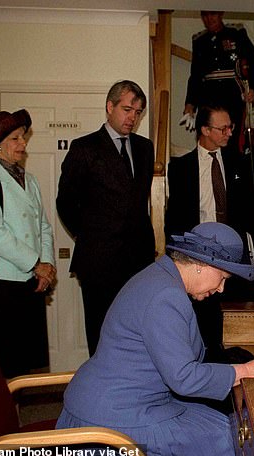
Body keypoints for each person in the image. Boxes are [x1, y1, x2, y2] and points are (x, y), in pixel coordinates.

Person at [56, 222, 254, 456]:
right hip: (112, 420)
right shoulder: (166, 296)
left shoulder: (159, 276)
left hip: (119, 403)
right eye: (222, 277)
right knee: (232, 439)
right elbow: (184, 378)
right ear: (202, 265)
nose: (222, 288)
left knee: (230, 428)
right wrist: (243, 371)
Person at [56, 80, 156, 356]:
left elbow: (138, 203)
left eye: (138, 112)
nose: (132, 118)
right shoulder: (84, 148)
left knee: (138, 334)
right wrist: (92, 235)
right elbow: (65, 203)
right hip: (98, 262)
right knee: (101, 335)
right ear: (109, 107)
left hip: (139, 262)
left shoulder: (145, 148)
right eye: (127, 109)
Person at [166, 105, 254, 364]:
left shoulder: (239, 162)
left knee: (228, 314)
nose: (229, 132)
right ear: (205, 130)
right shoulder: (181, 167)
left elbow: (250, 211)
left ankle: (228, 364)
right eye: (222, 128)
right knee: (201, 314)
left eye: (231, 127)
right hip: (198, 254)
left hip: (231, 251)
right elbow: (174, 217)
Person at [0, 109, 56, 378]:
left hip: (30, 282)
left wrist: (47, 265)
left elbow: (43, 226)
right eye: (16, 139)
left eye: (23, 137)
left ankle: (16, 416)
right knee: (2, 363)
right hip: (1, 285)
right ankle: (4, 419)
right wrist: (35, 263)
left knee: (24, 364)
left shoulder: (29, 179)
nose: (23, 144)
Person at [180, 11, 254, 163]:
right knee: (206, 140)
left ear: (220, 14)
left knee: (231, 141)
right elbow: (196, 76)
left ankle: (230, 180)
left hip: (231, 97)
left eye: (212, 14)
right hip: (207, 98)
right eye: (205, 15)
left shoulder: (236, 33)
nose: (208, 19)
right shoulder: (199, 40)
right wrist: (190, 104)